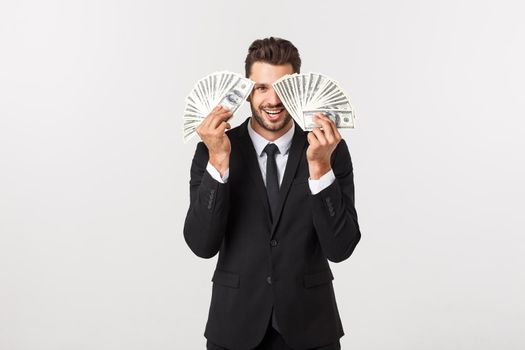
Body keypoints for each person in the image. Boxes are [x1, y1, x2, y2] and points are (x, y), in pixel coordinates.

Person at [183, 37, 361, 350]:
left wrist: (319, 168)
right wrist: (218, 161)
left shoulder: (330, 150)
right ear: (246, 90)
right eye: (262, 87)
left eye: (283, 86)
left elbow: (341, 247)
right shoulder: (212, 150)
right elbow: (201, 244)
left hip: (312, 329)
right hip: (234, 328)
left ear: (298, 89)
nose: (273, 99)